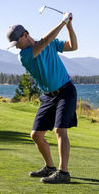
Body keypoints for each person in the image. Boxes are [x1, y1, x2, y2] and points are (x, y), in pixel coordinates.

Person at [6, 12, 78, 184]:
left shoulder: (51, 43)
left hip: (65, 92)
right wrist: (62, 22)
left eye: (17, 42)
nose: (16, 47)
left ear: (25, 35)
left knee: (60, 130)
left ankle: (63, 172)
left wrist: (69, 26)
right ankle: (49, 167)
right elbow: (44, 42)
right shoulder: (24, 55)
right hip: (48, 97)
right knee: (36, 135)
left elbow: (73, 46)